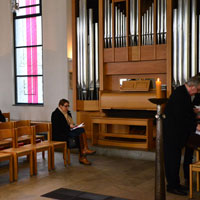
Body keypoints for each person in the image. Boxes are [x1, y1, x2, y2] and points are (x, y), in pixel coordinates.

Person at [163, 76, 200, 196]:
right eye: (198, 89)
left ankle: (176, 183)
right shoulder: (180, 94)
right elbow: (181, 117)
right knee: (172, 160)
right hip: (172, 133)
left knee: (176, 159)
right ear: (192, 86)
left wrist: (193, 113)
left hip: (177, 133)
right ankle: (172, 186)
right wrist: (196, 126)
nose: (198, 91)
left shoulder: (183, 93)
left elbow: (185, 112)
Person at [51, 99, 96, 165]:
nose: (67, 108)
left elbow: (70, 123)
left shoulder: (68, 113)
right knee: (80, 134)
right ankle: (83, 154)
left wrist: (75, 126)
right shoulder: (55, 114)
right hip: (59, 134)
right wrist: (69, 127)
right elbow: (58, 127)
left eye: (68, 106)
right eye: (65, 106)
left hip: (67, 131)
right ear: (60, 106)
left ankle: (84, 152)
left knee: (80, 132)